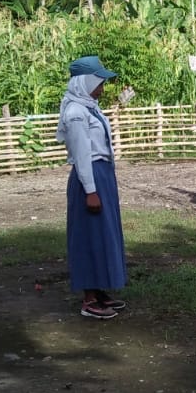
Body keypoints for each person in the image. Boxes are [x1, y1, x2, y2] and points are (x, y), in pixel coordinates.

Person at [57, 55, 127, 319]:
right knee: (89, 235)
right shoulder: (75, 113)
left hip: (101, 175)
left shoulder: (88, 107)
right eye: (99, 82)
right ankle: (88, 299)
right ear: (84, 82)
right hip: (90, 177)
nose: (102, 88)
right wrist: (91, 190)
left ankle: (98, 291)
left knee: (103, 233)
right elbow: (82, 153)